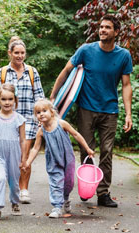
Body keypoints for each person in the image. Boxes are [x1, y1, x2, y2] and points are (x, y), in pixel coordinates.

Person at [50, 14, 133, 208]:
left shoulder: (123, 55)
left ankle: (103, 193)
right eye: (101, 27)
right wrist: (53, 97)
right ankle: (87, 187)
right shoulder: (86, 50)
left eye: (107, 28)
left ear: (116, 32)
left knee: (107, 151)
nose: (102, 30)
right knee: (87, 150)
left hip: (110, 110)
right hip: (86, 108)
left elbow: (127, 85)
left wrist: (128, 113)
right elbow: (66, 70)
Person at [0, 36, 45, 204]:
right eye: (16, 53)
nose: (20, 56)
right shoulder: (2, 72)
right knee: (12, 157)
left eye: (22, 53)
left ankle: (24, 189)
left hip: (28, 119)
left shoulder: (32, 72)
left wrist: (42, 117)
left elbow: (39, 95)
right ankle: (14, 187)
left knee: (24, 154)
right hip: (8, 120)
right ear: (10, 53)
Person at [22, 99, 95, 218]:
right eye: (38, 112)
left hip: (67, 159)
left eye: (44, 111)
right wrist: (28, 162)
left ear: (52, 112)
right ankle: (56, 206)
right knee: (56, 183)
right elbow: (35, 148)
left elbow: (76, 134)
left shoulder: (62, 124)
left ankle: (65, 198)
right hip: (53, 161)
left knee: (69, 183)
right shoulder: (41, 131)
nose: (41, 114)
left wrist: (87, 148)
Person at [0, 83, 27, 221]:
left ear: (15, 100)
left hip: (14, 153)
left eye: (10, 99)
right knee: (0, 178)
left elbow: (23, 140)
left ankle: (15, 202)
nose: (7, 102)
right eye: (4, 99)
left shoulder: (19, 119)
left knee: (14, 181)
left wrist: (24, 159)